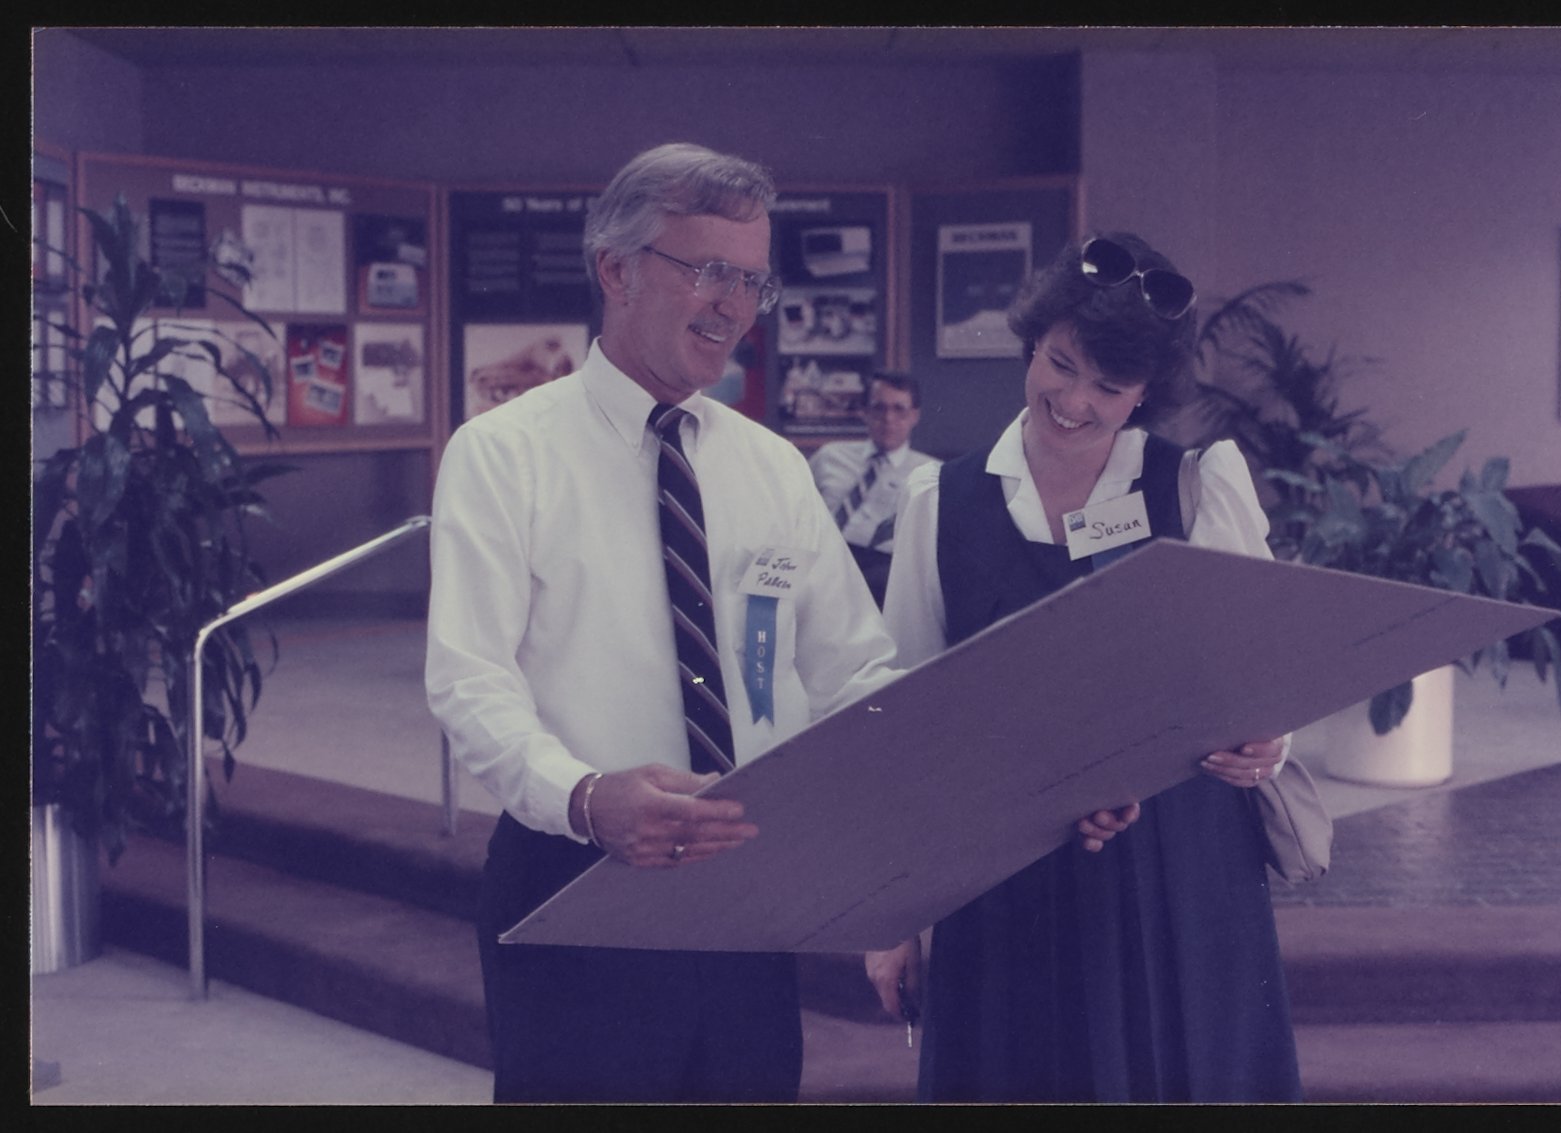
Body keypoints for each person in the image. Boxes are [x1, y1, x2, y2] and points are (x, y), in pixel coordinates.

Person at [424, 142, 904, 1103]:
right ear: (617, 269)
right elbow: (469, 677)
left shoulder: (772, 466)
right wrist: (585, 796)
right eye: (710, 270)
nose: (735, 306)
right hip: (574, 883)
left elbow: (856, 671)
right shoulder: (502, 453)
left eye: (753, 280)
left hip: (747, 893)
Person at [864, 233, 1303, 1103]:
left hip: (1176, 861)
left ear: (1145, 393)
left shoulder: (1196, 485)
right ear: (1032, 341)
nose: (1072, 401)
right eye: (1061, 365)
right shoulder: (940, 501)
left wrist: (1268, 742)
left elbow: (1262, 670)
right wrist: (893, 913)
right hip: (1004, 862)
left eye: (1109, 386)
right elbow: (904, 713)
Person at [807, 372, 938, 605]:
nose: (888, 418)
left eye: (899, 409)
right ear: (865, 412)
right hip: (820, 556)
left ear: (914, 416)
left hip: (882, 571)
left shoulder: (931, 473)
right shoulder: (830, 456)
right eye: (879, 408)